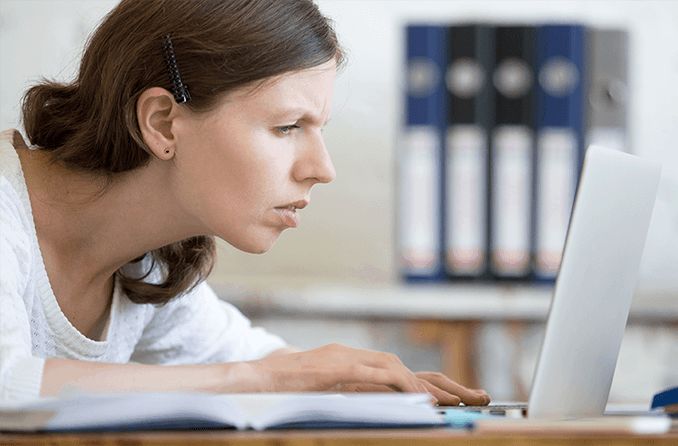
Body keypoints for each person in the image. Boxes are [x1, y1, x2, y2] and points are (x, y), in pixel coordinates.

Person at [0, 0, 490, 406]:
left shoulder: (146, 265)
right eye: (287, 127)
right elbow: (7, 383)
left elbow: (249, 359)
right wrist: (271, 378)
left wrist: (351, 383)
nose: (322, 169)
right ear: (163, 122)